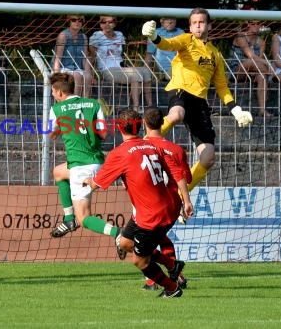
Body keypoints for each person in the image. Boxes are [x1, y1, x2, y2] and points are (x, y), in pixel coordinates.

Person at [142, 8, 253, 192]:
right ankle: (144, 143)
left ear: (209, 25)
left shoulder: (215, 54)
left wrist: (236, 110)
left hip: (200, 102)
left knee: (208, 157)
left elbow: (222, 87)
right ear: (190, 26)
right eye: (194, 23)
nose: (197, 26)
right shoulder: (186, 40)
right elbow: (167, 44)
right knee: (176, 114)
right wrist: (154, 37)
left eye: (201, 22)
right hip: (181, 90)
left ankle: (180, 194)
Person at [83, 109, 186, 298]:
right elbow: (175, 170)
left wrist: (89, 182)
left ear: (119, 128)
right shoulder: (151, 146)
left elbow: (98, 183)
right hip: (154, 210)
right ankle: (172, 264)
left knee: (140, 261)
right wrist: (186, 200)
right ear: (140, 126)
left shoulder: (120, 153)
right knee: (124, 242)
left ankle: (171, 288)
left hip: (150, 217)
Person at [47, 72, 125, 259]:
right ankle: (68, 220)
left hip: (81, 168)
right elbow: (104, 134)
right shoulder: (94, 104)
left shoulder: (57, 109)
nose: (52, 95)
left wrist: (62, 129)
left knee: (84, 218)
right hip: (97, 162)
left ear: (59, 92)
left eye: (52, 91)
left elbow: (51, 134)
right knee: (58, 172)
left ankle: (117, 234)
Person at [141, 106, 194, 291]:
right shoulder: (176, 150)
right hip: (172, 203)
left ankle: (168, 277)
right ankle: (173, 274)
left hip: (148, 202)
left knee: (136, 243)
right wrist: (186, 201)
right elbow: (187, 177)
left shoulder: (140, 148)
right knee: (160, 239)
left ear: (144, 123)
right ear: (163, 122)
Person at [89, 15, 153, 112]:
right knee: (136, 75)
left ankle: (150, 106)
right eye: (103, 22)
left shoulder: (119, 35)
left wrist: (126, 66)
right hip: (107, 70)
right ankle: (136, 107)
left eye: (110, 22)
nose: (107, 24)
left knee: (146, 71)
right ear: (100, 24)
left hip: (121, 68)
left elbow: (120, 55)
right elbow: (92, 56)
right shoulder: (96, 36)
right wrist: (91, 74)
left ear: (115, 23)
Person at [227, 20, 272, 117]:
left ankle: (262, 110)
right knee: (250, 61)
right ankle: (274, 75)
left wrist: (262, 66)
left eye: (258, 23)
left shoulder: (261, 42)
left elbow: (259, 59)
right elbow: (251, 55)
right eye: (252, 23)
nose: (255, 25)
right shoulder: (241, 37)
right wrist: (268, 65)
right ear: (248, 24)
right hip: (236, 71)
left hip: (253, 71)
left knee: (262, 76)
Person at [52, 15, 94, 97]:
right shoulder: (63, 36)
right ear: (69, 21)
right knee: (77, 76)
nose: (77, 22)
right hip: (64, 68)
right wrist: (56, 75)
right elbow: (58, 58)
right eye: (74, 20)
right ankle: (75, 103)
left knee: (87, 77)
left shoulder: (84, 37)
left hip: (77, 68)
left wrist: (88, 73)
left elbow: (85, 57)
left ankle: (85, 103)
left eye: (80, 20)